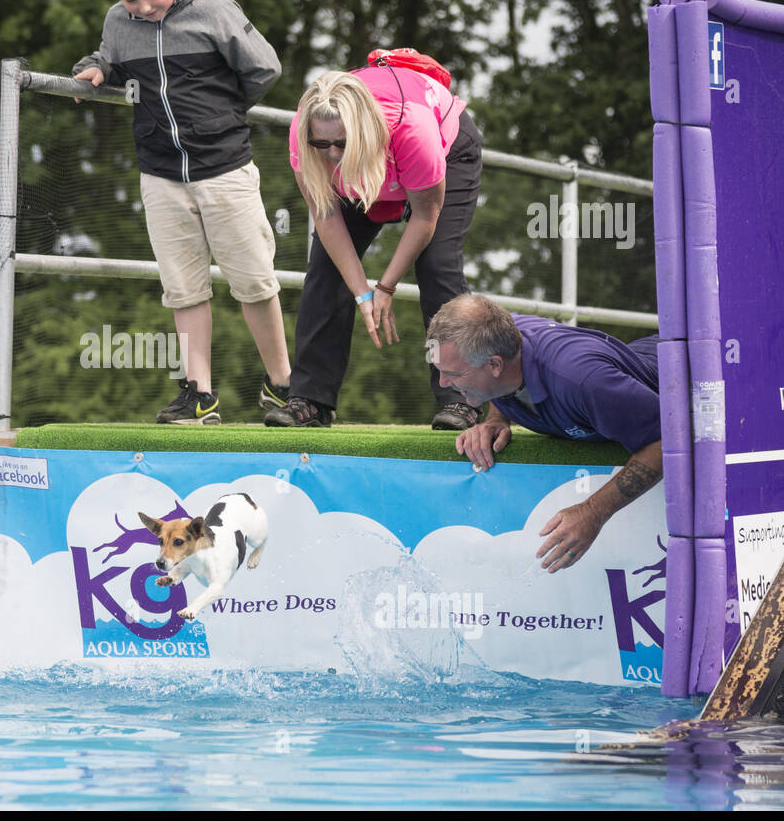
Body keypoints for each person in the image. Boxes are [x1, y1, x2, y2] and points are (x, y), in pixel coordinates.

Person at [72, 0, 291, 425]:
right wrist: (93, 69)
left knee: (254, 281)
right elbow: (105, 55)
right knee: (183, 289)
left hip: (226, 169)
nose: (144, 7)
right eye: (131, 0)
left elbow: (264, 68)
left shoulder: (216, 11)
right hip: (161, 174)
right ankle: (199, 394)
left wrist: (221, 115)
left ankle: (282, 385)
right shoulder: (118, 20)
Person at [264, 66, 483, 430]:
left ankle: (461, 398)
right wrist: (361, 293)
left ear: (361, 133)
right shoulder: (305, 134)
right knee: (325, 267)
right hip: (373, 162)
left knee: (437, 267)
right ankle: (310, 400)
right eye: (322, 144)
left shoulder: (413, 131)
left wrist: (385, 286)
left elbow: (426, 216)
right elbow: (327, 218)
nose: (331, 154)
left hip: (442, 152)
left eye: (341, 143)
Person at [426, 293, 664, 573]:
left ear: (494, 365)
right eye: (439, 370)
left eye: (454, 373)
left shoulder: (582, 381)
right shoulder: (500, 336)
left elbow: (668, 441)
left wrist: (593, 512)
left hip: (697, 375)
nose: (443, 383)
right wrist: (497, 419)